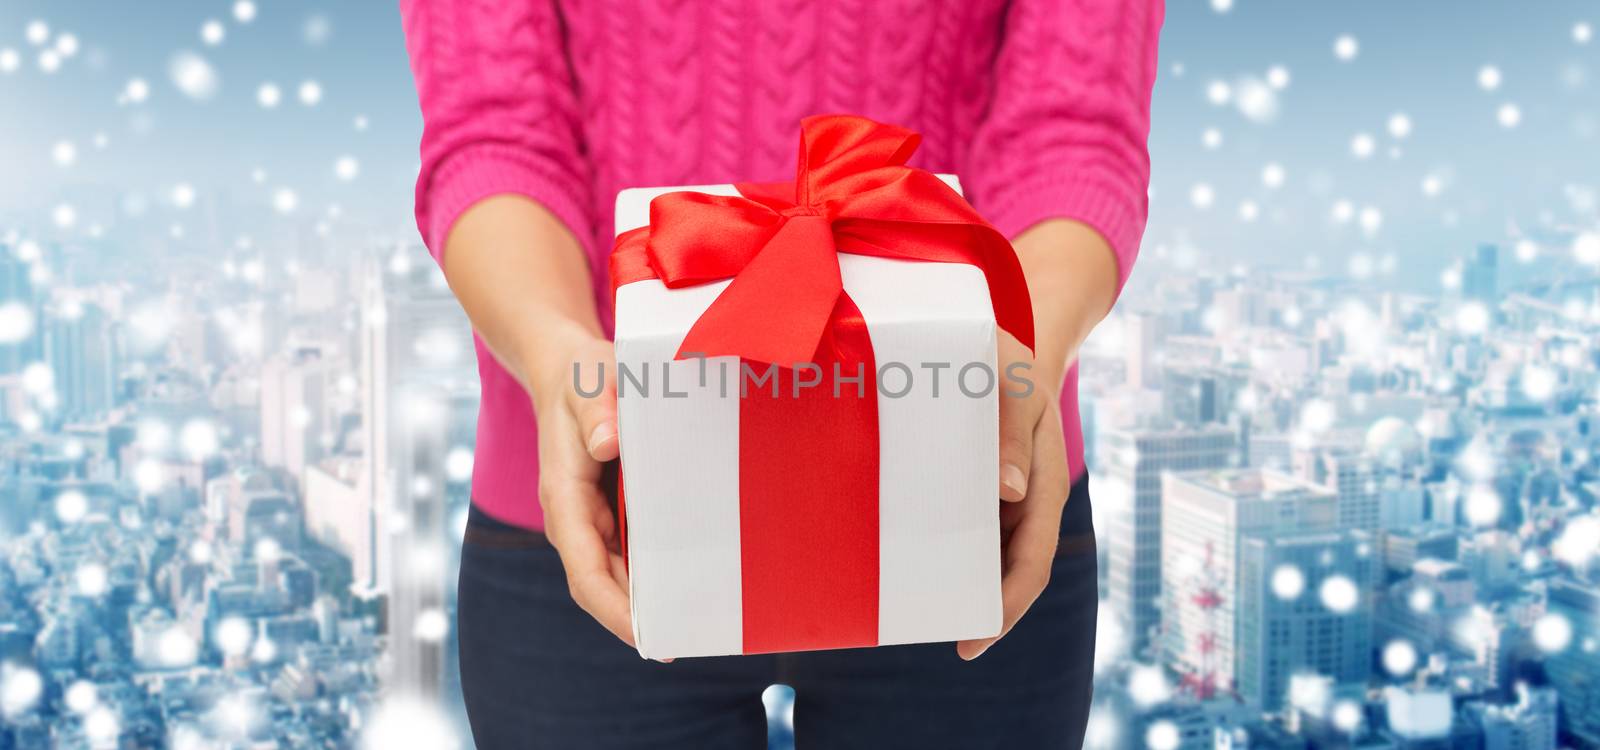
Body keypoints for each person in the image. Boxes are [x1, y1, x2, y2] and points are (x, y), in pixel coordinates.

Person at [400, 1, 1162, 747]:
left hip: (972, 484)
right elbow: (492, 132)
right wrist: (554, 349)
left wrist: (1028, 348)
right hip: (596, 504)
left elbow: (1076, 129)